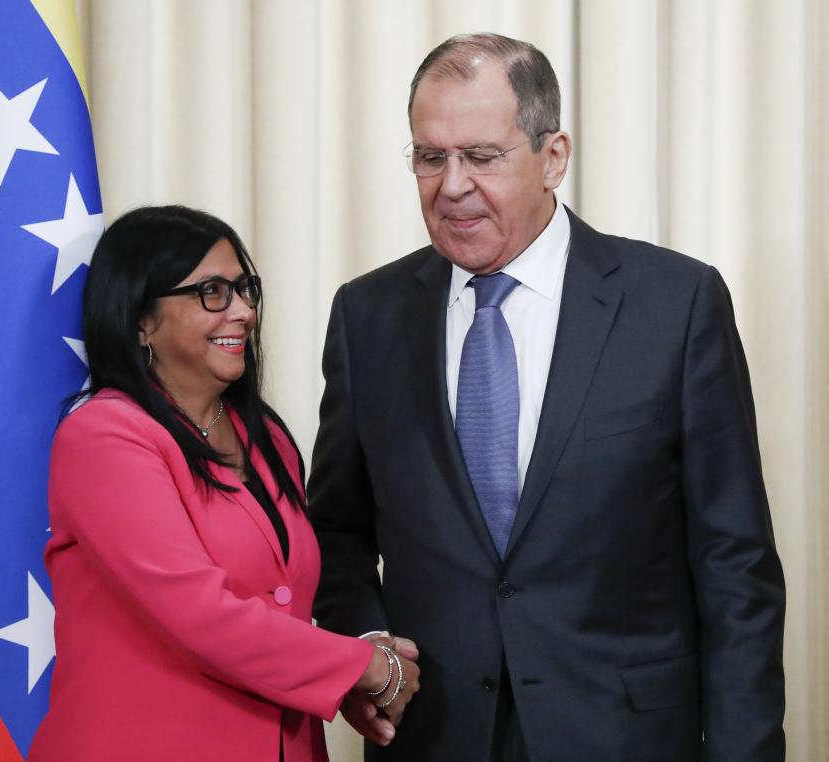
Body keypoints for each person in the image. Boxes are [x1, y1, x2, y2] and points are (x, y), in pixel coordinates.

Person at [309, 33, 785, 761]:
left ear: (553, 155)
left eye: (482, 156)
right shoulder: (367, 317)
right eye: (431, 157)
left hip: (625, 736)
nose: (453, 184)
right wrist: (371, 647)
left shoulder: (674, 304)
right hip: (434, 737)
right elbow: (335, 534)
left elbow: (735, 568)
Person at [29, 205, 418, 761]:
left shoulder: (266, 438)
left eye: (244, 289)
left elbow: (284, 605)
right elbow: (200, 614)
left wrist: (348, 678)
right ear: (142, 320)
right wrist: (366, 666)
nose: (241, 311)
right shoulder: (103, 436)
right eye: (211, 292)